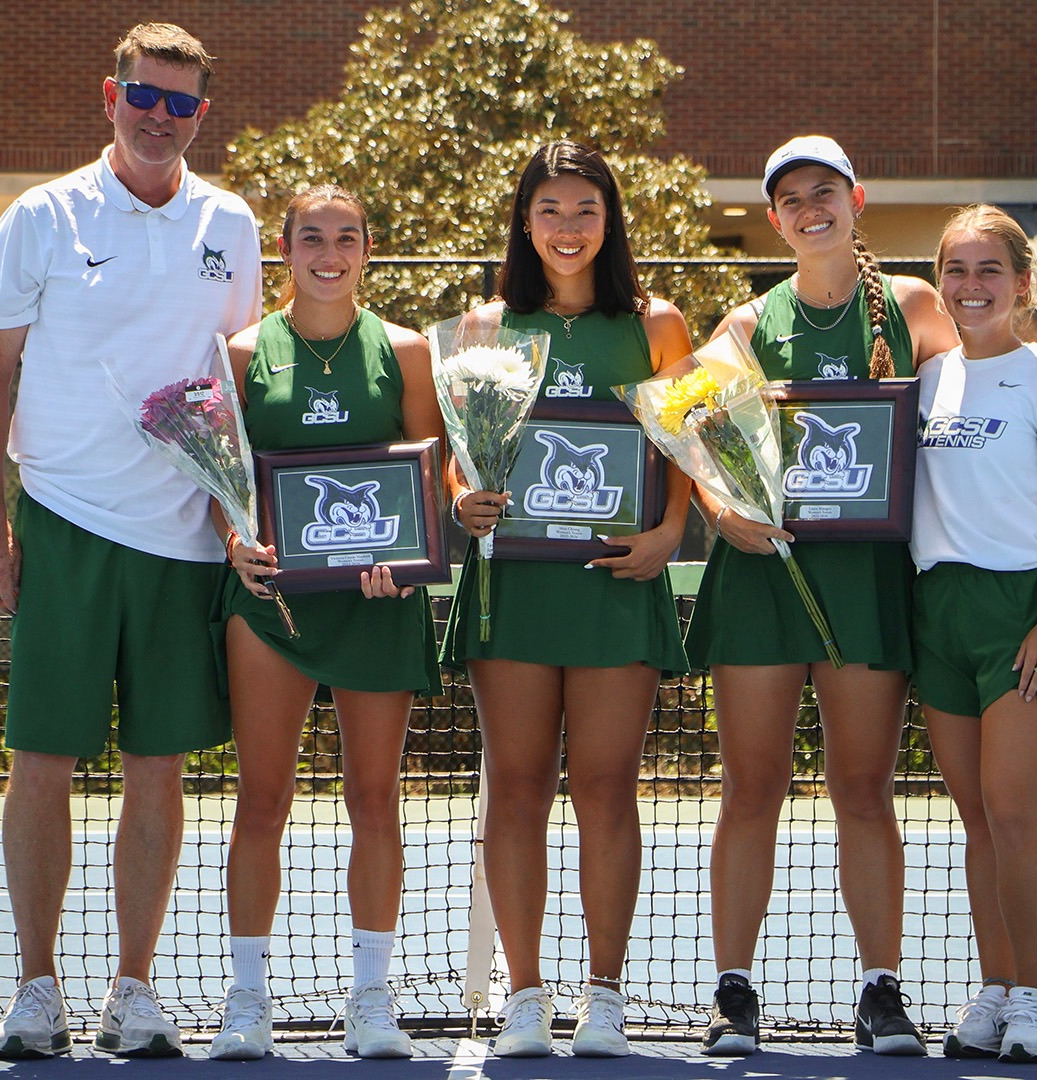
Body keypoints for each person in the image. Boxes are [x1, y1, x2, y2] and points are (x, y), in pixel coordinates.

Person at [0, 23, 261, 1060]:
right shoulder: (40, 218)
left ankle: (133, 990)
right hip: (65, 526)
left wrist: (234, 516)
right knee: (40, 761)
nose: (159, 116)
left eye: (180, 104)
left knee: (157, 770)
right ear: (111, 94)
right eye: (145, 95)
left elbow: (236, 379)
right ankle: (36, 989)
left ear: (200, 115)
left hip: (183, 540)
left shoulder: (232, 222)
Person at [686, 135, 959, 1057]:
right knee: (751, 787)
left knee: (863, 789)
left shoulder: (915, 306)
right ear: (774, 218)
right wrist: (722, 510)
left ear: (858, 201)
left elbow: (969, 415)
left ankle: (881, 991)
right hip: (762, 582)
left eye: (826, 193)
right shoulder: (743, 325)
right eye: (792, 199)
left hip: (867, 581)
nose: (811, 210)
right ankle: (734, 993)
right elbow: (698, 439)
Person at [443, 140, 694, 1058]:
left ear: (610, 220)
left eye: (585, 210)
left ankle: (605, 996)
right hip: (513, 587)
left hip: (616, 588)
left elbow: (687, 449)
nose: (567, 228)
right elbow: (457, 461)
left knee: (605, 789)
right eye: (550, 209)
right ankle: (523, 996)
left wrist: (670, 534)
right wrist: (461, 501)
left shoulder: (657, 324)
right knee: (514, 787)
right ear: (524, 219)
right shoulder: (483, 326)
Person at [206, 185, 444, 1061]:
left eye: (347, 237)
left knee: (374, 800)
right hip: (270, 608)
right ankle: (246, 999)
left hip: (377, 608)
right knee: (261, 799)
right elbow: (222, 478)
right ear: (286, 248)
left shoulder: (407, 352)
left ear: (369, 249)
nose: (330, 252)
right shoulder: (239, 352)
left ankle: (373, 1000)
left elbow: (429, 482)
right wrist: (237, 541)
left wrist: (405, 559)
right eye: (313, 237)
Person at [914, 204, 1037, 1064]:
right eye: (957, 269)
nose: (972, 286)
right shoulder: (925, 381)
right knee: (976, 818)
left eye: (991, 271)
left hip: (1028, 612)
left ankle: (1033, 1000)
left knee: (1014, 810)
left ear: (1022, 284)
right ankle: (994, 986)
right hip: (939, 613)